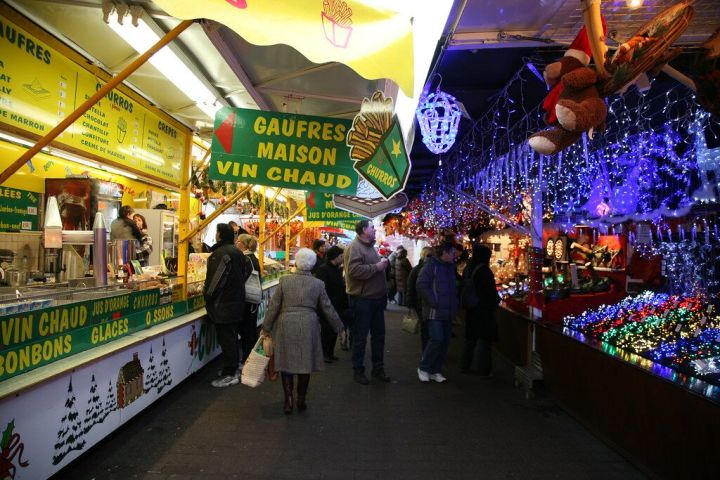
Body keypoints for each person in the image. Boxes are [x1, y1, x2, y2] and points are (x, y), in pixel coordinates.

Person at [261, 248, 346, 414]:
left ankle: (288, 400)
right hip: (309, 324)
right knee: (305, 364)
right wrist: (340, 328)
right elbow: (328, 308)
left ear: (297, 262)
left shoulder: (284, 281)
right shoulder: (318, 284)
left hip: (286, 324)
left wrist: (266, 327)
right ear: (313, 264)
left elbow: (274, 307)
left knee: (286, 363)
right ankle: (301, 399)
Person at [344, 220, 391, 385]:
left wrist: (381, 263)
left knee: (379, 336)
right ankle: (358, 370)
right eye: (372, 227)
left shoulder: (370, 246)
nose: (375, 229)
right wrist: (377, 267)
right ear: (364, 230)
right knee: (360, 337)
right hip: (362, 300)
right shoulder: (354, 247)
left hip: (376, 300)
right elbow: (354, 270)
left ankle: (378, 369)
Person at [204, 223, 249, 388]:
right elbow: (244, 274)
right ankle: (231, 368)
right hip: (236, 301)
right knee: (231, 337)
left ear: (220, 235)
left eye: (216, 232)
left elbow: (215, 281)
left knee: (227, 339)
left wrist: (207, 296)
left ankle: (231, 373)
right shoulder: (238, 252)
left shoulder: (221, 254)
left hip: (224, 304)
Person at [416, 241, 459, 384]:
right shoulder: (431, 266)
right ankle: (424, 368)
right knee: (437, 339)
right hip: (435, 311)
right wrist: (434, 302)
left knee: (445, 342)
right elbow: (421, 285)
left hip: (448, 311)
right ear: (445, 253)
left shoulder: (450, 268)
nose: (455, 255)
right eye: (452, 253)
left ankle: (435, 370)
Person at [461, 244, 500, 377]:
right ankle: (484, 370)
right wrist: (495, 302)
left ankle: (465, 365)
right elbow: (489, 292)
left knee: (470, 339)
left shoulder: (468, 268)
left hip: (471, 308)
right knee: (485, 340)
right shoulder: (484, 270)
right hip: (483, 309)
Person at [315, 246, 349, 361]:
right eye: (341, 256)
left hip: (337, 305)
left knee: (334, 329)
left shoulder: (337, 269)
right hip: (327, 305)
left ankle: (329, 353)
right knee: (326, 330)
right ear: (335, 257)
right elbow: (321, 289)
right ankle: (324, 353)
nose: (342, 258)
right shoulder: (323, 269)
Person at [236, 233, 260, 365]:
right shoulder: (252, 258)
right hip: (252, 300)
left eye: (238, 241)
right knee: (249, 329)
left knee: (247, 330)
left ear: (243, 244)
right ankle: (251, 357)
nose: (236, 243)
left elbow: (242, 279)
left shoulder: (246, 259)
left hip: (248, 299)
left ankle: (249, 359)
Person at [405, 246, 433, 352]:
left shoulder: (432, 268)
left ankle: (428, 351)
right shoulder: (417, 269)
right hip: (420, 304)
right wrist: (410, 304)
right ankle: (425, 351)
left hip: (428, 303)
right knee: (425, 329)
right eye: (429, 255)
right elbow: (410, 286)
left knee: (429, 329)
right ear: (424, 256)